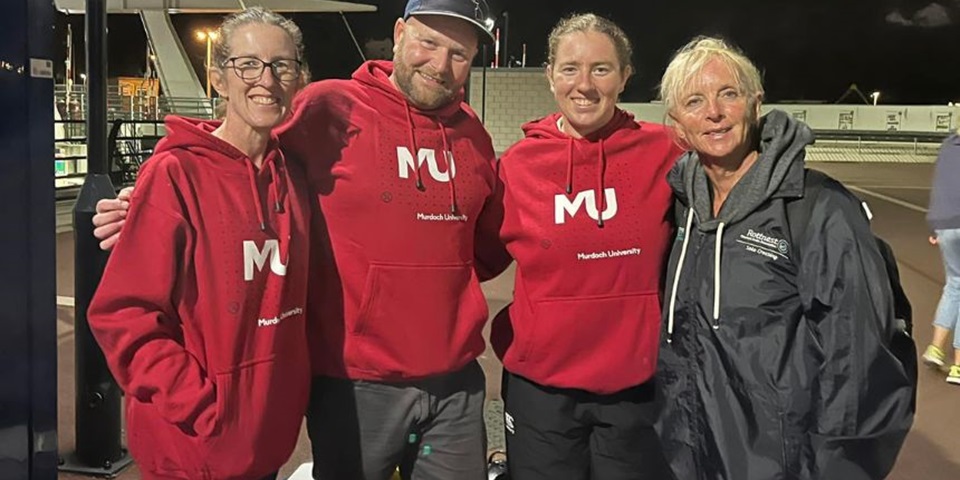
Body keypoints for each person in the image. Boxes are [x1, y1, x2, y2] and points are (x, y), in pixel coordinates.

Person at [92, 1, 511, 478]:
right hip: (354, 382)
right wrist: (149, 196)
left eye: (459, 52)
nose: (440, 64)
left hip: (453, 380)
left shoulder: (473, 135)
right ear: (398, 34)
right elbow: (237, 142)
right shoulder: (330, 107)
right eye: (428, 42)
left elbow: (486, 243)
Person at [654, 36, 914, 480]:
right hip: (692, 457)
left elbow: (861, 362)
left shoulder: (819, 208)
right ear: (678, 124)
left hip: (786, 466)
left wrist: (834, 469)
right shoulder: (682, 209)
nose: (713, 112)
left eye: (728, 94)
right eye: (694, 101)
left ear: (756, 103)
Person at [87, 7, 311, 480]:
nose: (265, 80)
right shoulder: (175, 174)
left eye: (281, 66)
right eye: (247, 64)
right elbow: (123, 315)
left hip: (266, 439)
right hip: (192, 446)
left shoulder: (296, 178)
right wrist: (204, 406)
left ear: (299, 80)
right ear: (218, 78)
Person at [490, 13, 679, 480]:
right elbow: (468, 256)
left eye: (601, 68)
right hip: (542, 392)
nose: (585, 85)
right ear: (550, 75)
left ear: (625, 76)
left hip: (636, 387)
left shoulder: (665, 152)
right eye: (570, 68)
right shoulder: (517, 166)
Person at [923, 131, 960, 385]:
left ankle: (936, 348)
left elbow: (941, 186)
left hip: (944, 222)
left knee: (955, 283)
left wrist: (936, 226)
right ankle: (958, 365)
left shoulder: (948, 146)